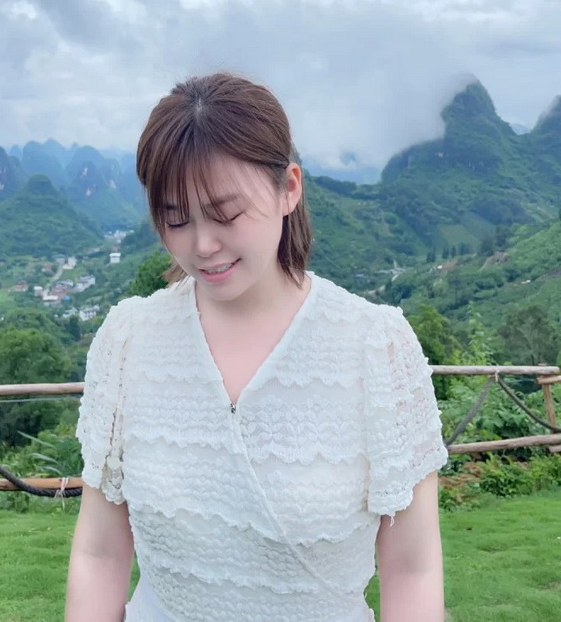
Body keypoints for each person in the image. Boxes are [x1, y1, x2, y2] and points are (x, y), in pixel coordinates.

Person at [66, 72, 448, 622]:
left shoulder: (376, 347)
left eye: (226, 213)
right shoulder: (129, 340)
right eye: (176, 218)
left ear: (288, 188)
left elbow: (412, 568)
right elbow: (100, 552)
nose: (202, 244)